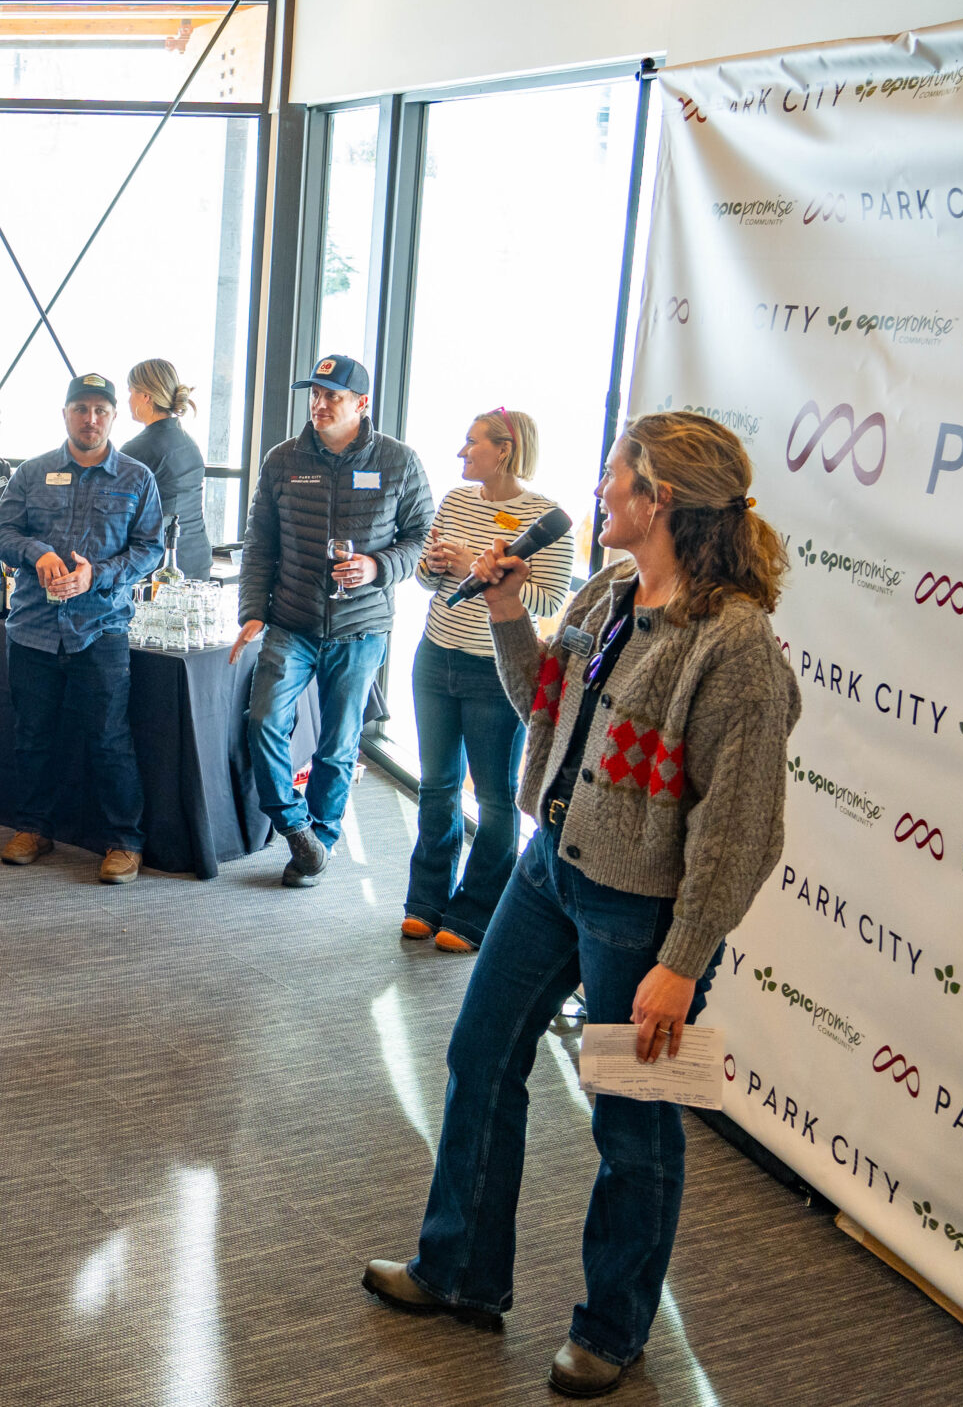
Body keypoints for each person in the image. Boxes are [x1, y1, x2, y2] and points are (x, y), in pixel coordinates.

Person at [364, 411, 799, 1399]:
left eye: (616, 477)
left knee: (635, 1124)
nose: (599, 492)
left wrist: (681, 962)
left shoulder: (733, 650)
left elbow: (740, 832)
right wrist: (511, 614)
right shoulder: (607, 593)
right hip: (549, 872)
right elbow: (542, 711)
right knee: (480, 1056)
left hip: (642, 918)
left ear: (663, 502)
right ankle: (460, 1270)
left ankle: (611, 1330)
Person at [231, 354, 433, 888]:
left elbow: (422, 541)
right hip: (290, 622)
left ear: (362, 404)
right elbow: (260, 546)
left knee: (339, 745)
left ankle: (318, 840)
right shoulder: (282, 460)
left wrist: (376, 566)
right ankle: (296, 827)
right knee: (264, 722)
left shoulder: (400, 462)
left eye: (332, 396)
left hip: (362, 627)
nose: (319, 405)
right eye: (314, 395)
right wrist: (252, 612)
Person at [404, 408, 574, 951]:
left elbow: (549, 601)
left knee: (497, 799)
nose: (460, 452)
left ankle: (474, 915)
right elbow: (425, 579)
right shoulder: (455, 501)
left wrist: (480, 571)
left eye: (471, 443)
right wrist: (436, 567)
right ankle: (425, 902)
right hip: (435, 657)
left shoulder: (545, 517)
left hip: (494, 672)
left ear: (504, 449)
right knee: (437, 786)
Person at [0, 375, 166, 880]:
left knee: (109, 737)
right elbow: (1, 532)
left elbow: (149, 549)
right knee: (33, 735)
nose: (91, 419)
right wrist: (36, 552)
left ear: (113, 417)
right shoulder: (33, 472)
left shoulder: (136, 477)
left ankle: (123, 841)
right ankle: (34, 827)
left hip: (102, 626)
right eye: (81, 408)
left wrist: (99, 574)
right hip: (33, 626)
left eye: (101, 410)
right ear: (65, 413)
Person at [122, 358, 214, 578]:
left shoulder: (137, 450)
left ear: (145, 396)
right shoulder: (188, 443)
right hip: (196, 558)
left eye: (131, 391)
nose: (128, 399)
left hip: (160, 569)